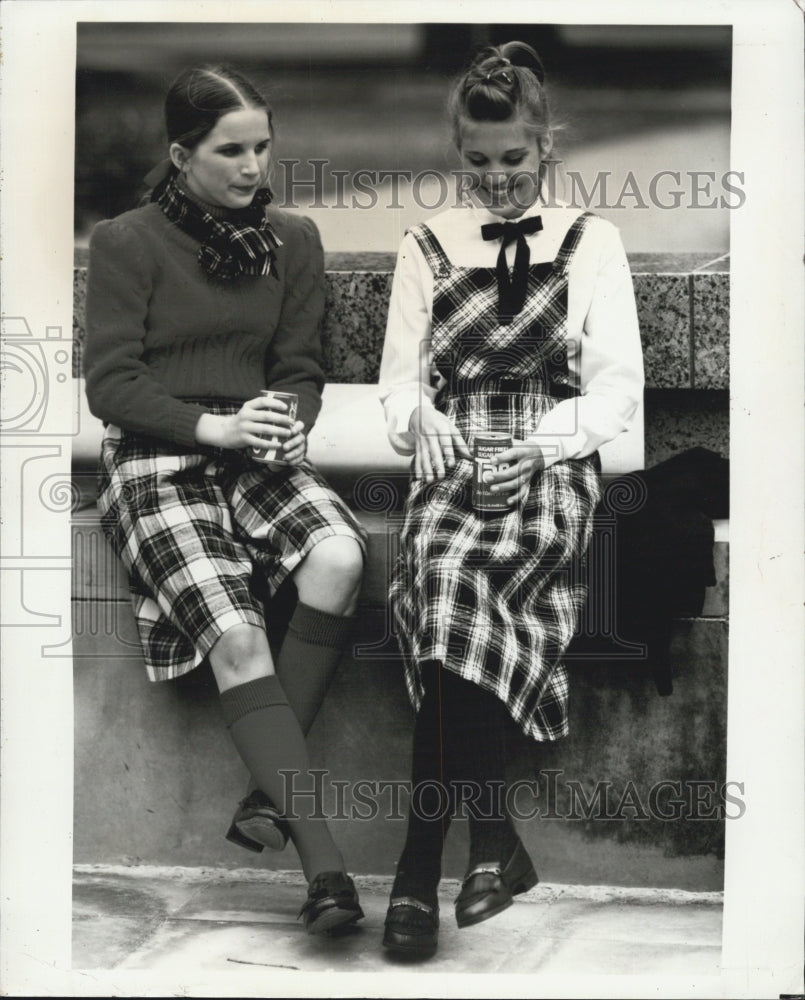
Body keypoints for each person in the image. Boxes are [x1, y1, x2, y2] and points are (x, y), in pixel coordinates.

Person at [84, 65, 367, 936]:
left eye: (262, 146)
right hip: (159, 461)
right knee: (238, 635)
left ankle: (264, 793)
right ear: (180, 156)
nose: (254, 166)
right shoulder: (126, 242)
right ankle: (325, 872)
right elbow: (112, 384)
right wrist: (213, 431)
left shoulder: (294, 238)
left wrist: (288, 423)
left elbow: (298, 370)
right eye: (230, 150)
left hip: (256, 454)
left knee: (342, 556)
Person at [378, 41, 644, 956]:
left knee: (470, 588)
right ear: (459, 155)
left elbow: (614, 394)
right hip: (453, 465)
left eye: (514, 161)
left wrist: (533, 450)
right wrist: (423, 419)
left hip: (547, 461)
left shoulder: (592, 242)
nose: (497, 180)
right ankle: (481, 847)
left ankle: (423, 871)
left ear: (545, 150)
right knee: (445, 575)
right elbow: (396, 386)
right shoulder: (423, 247)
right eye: (478, 163)